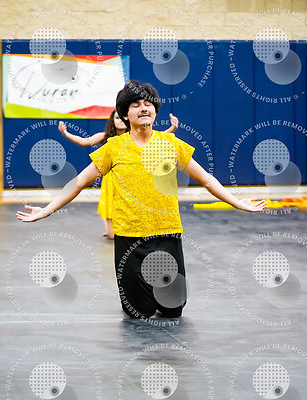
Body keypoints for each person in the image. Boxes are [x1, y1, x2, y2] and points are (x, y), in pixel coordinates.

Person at [16, 80, 266, 320]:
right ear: (125, 115)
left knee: (173, 309)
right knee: (138, 311)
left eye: (148, 104)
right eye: (135, 105)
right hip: (129, 239)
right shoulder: (113, 148)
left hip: (166, 233)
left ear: (155, 111)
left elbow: (207, 179)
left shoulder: (171, 143)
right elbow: (79, 182)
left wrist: (237, 202)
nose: (143, 108)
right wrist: (46, 210)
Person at [58, 110, 179, 238]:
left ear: (127, 119)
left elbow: (158, 137)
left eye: (121, 118)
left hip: (128, 179)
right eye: (116, 118)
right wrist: (65, 133)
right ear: (112, 121)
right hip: (110, 178)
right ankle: (110, 228)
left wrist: (173, 127)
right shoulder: (105, 136)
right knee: (110, 209)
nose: (120, 121)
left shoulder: (135, 135)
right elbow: (84, 141)